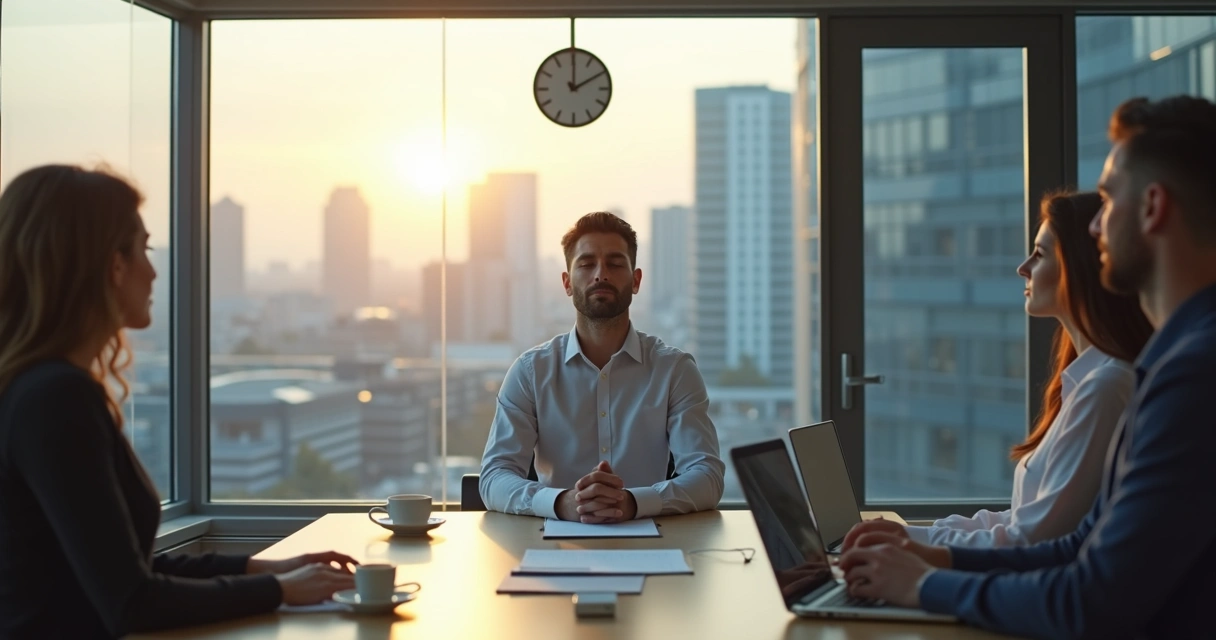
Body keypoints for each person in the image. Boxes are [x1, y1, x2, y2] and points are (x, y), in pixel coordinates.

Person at [838, 95, 1216, 639]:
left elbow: (1091, 600)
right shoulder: (1172, 365)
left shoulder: (1194, 377)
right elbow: (1077, 547)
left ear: (1153, 207)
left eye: (1109, 200)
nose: (1094, 227)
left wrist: (921, 585)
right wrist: (929, 563)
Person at [0, 165, 357, 639]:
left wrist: (265, 569)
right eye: (145, 250)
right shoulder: (57, 400)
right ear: (114, 265)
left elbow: (125, 567)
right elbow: (133, 601)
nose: (154, 271)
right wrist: (279, 589)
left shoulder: (37, 390)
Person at [846, 191, 1152, 549]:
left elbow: (1030, 540)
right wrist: (906, 534)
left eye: (1039, 254)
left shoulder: (1105, 388)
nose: (1022, 268)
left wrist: (911, 545)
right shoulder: (1084, 381)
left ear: (1080, 268)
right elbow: (1020, 519)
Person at [480, 212, 724, 523]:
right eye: (586, 264)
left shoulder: (674, 370)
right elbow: (494, 477)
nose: (600, 274)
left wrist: (633, 502)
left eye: (615, 263)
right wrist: (562, 503)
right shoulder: (531, 372)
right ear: (567, 283)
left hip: (651, 544)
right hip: (554, 547)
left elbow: (707, 476)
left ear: (636, 281)